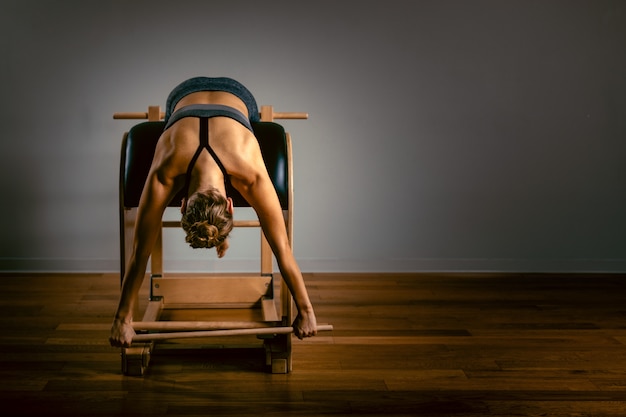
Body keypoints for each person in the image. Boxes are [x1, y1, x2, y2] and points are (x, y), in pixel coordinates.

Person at [109, 77, 317, 348]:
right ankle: (220, 234)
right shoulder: (248, 175)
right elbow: (284, 251)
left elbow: (139, 255)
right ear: (231, 204)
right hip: (193, 98)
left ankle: (220, 233)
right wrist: (307, 312)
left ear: (181, 204)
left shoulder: (164, 176)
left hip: (215, 98)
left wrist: (122, 320)